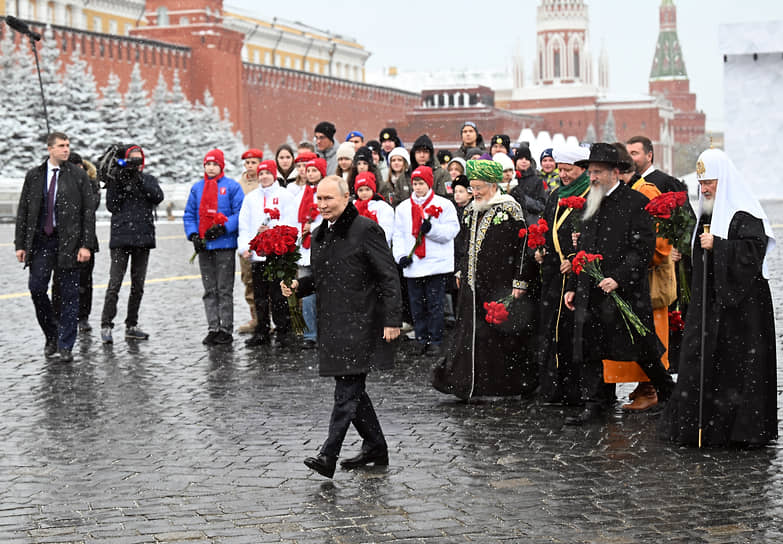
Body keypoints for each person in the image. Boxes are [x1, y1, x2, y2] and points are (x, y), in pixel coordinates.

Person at [281, 176, 402, 479]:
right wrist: (298, 284)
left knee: (346, 390)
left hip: (363, 323)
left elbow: (388, 276)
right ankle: (375, 446)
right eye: (318, 199)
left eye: (328, 199)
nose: (321, 205)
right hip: (333, 325)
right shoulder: (321, 234)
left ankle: (328, 454)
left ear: (346, 197)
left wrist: (392, 320)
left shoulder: (366, 229)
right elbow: (324, 278)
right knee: (354, 391)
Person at [660, 148, 777, 447]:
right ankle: (701, 427)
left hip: (741, 311)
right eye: (701, 184)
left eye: (709, 182)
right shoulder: (707, 214)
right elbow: (701, 260)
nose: (705, 189)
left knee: (736, 369)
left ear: (723, 180)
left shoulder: (744, 214)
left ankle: (738, 431)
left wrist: (721, 246)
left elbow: (753, 251)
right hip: (709, 306)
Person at [563, 143, 675, 425]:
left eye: (598, 172)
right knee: (591, 348)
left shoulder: (635, 203)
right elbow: (584, 249)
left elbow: (643, 248)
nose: (593, 177)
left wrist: (620, 277)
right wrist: (574, 285)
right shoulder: (591, 201)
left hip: (625, 291)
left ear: (615, 172)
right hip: (592, 290)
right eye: (590, 172)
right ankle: (596, 403)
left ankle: (668, 393)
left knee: (642, 347)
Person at [431, 160, 537, 400]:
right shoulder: (471, 209)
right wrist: (460, 270)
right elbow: (465, 243)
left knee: (497, 337)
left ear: (492, 185)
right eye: (472, 187)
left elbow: (522, 248)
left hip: (498, 284)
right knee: (469, 333)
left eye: (479, 187)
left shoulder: (509, 209)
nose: (475, 192)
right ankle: (467, 382)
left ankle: (499, 385)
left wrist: (519, 281)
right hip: (472, 284)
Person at [604, 142, 676, 412]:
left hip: (648, 278)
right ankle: (646, 385)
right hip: (630, 278)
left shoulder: (645, 192)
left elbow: (659, 241)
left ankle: (652, 387)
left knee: (649, 334)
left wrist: (632, 263)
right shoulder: (625, 192)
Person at [15, 131, 96, 362]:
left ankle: (66, 345)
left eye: (68, 145)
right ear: (49, 149)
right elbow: (24, 211)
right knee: (37, 288)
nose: (66, 149)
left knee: (69, 295)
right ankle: (51, 334)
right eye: (61, 146)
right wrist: (20, 244)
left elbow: (88, 212)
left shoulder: (78, 176)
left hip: (69, 243)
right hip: (41, 242)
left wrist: (86, 245)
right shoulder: (34, 176)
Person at [534, 144, 590, 406]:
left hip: (579, 274)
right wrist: (542, 248)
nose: (564, 174)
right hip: (555, 273)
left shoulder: (591, 194)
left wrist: (575, 258)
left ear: (582, 169)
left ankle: (576, 389)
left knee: (573, 333)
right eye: (561, 169)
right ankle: (553, 385)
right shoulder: (556, 194)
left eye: (569, 170)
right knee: (551, 330)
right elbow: (547, 227)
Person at [99, 144, 164, 343]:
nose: (136, 162)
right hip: (120, 239)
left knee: (138, 285)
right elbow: (112, 206)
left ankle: (131, 324)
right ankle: (106, 324)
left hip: (142, 239)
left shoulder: (148, 179)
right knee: (115, 283)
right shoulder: (117, 179)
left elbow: (158, 197)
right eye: (132, 158)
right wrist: (120, 181)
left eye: (138, 158)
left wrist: (139, 179)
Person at [392, 166, 460, 357]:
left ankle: (435, 340)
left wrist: (432, 229)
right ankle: (421, 339)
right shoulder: (404, 207)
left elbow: (452, 231)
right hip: (413, 265)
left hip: (435, 264)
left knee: (435, 304)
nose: (418, 187)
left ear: (429, 183)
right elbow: (398, 235)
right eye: (415, 183)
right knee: (416, 304)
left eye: (421, 183)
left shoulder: (444, 204)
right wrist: (400, 256)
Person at [184, 149, 244, 346]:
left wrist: (223, 228)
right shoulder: (197, 188)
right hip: (204, 246)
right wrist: (194, 235)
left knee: (224, 288)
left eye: (214, 164)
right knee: (209, 289)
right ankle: (213, 327)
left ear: (221, 166)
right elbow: (190, 214)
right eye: (207, 164)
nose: (210, 167)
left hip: (224, 244)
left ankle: (226, 328)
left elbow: (239, 212)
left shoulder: (232, 187)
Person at [237, 159, 298, 348]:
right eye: (261, 174)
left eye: (267, 173)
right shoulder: (251, 198)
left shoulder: (285, 196)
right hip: (258, 255)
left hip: (278, 254)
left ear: (274, 175)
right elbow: (244, 225)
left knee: (279, 295)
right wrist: (245, 247)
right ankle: (261, 330)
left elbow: (291, 223)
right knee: (260, 295)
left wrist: (273, 233)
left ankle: (283, 331)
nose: (263, 177)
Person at [51, 151, 100, 333]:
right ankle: (57, 316)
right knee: (58, 280)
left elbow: (89, 206)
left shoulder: (91, 184)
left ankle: (83, 317)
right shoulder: (56, 183)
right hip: (61, 240)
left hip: (85, 239)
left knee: (85, 281)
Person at [294, 157, 327, 349]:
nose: (311, 174)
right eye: (309, 170)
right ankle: (310, 334)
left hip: (323, 250)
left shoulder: (327, 193)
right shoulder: (300, 195)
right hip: (304, 250)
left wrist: (312, 227)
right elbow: (293, 219)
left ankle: (328, 331)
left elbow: (331, 218)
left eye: (315, 170)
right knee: (306, 295)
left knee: (326, 293)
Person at [236, 148, 264, 334]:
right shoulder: (238, 185)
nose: (251, 166)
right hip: (247, 239)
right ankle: (255, 317)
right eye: (248, 163)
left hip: (264, 239)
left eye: (254, 162)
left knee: (267, 281)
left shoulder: (266, 181)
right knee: (248, 279)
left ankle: (268, 318)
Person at [353, 171, 394, 246]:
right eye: (360, 190)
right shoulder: (352, 207)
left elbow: (386, 231)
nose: (364, 193)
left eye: (367, 189)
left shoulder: (383, 207)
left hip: (377, 247)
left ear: (373, 190)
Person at [510, 145, 547, 226]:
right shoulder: (510, 178)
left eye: (527, 159)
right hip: (511, 222)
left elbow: (541, 206)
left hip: (530, 224)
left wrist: (523, 199)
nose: (524, 161)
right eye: (520, 159)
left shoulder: (537, 180)